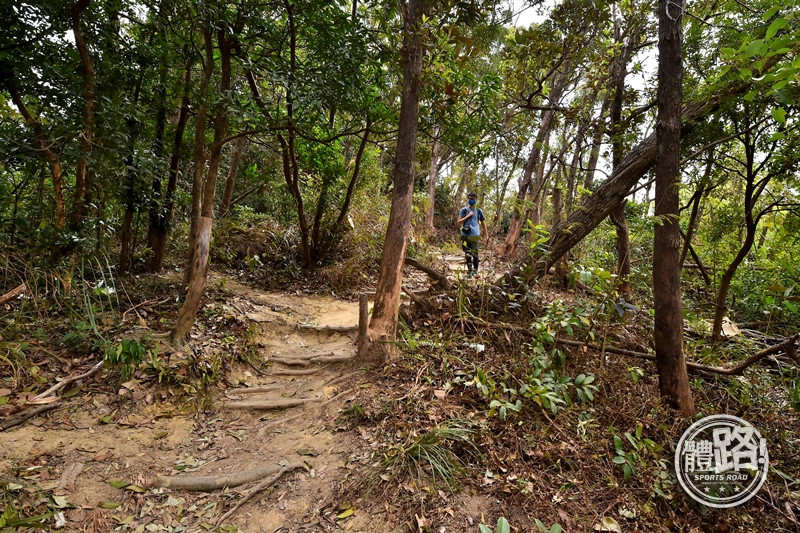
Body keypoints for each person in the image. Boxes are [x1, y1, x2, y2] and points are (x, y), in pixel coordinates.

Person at [456, 192, 488, 278]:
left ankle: (476, 272)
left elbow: (483, 223)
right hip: (465, 235)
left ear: (476, 199)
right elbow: (459, 222)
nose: (471, 200)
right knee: (467, 254)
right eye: (470, 198)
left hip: (475, 235)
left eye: (473, 199)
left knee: (475, 254)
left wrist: (487, 235)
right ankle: (470, 272)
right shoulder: (464, 210)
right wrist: (468, 216)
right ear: (468, 199)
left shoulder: (479, 211)